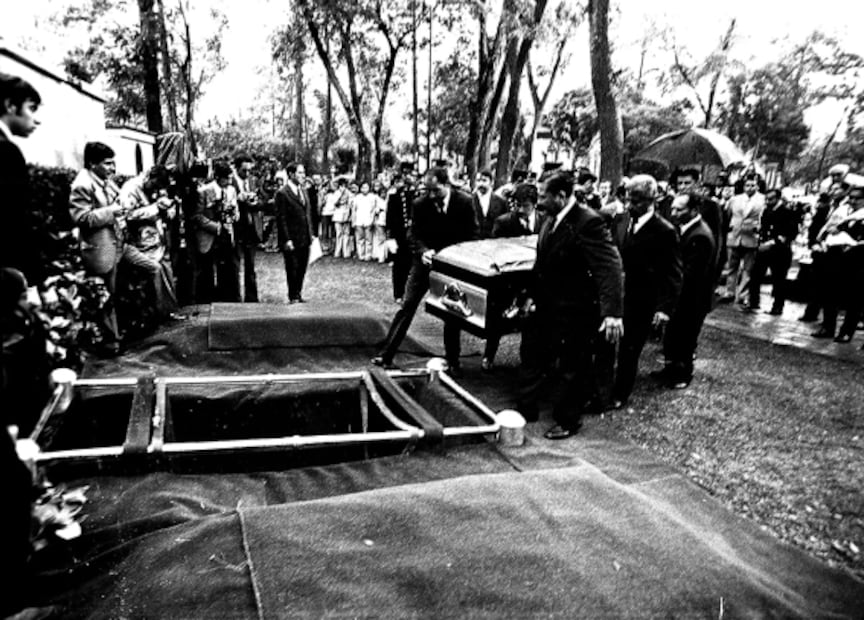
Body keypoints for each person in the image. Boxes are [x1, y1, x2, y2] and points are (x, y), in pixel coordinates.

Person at [516, 172, 624, 439]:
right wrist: (529, 295)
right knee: (532, 353)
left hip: (576, 310)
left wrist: (612, 313)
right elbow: (541, 264)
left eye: (543, 196)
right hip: (547, 305)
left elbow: (609, 267)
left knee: (572, 366)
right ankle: (526, 410)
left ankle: (568, 420)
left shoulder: (589, 222)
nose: (539, 201)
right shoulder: (550, 219)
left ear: (561, 196)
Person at [70, 142, 175, 351]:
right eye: (107, 163)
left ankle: (151, 320)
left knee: (152, 268)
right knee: (106, 296)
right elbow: (81, 218)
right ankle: (112, 342)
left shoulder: (105, 181)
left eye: (113, 163)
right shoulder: (82, 184)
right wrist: (112, 212)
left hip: (120, 244)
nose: (112, 168)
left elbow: (121, 207)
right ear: (92, 163)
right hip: (102, 248)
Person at [372, 166, 478, 370]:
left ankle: (453, 361)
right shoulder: (420, 204)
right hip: (424, 265)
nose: (431, 195)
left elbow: (473, 234)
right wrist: (423, 251)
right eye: (427, 190)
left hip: (452, 266)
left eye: (435, 190)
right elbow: (413, 234)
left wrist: (455, 256)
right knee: (407, 305)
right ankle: (386, 355)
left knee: (451, 312)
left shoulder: (464, 202)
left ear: (447, 184)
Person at [611, 174, 683, 409]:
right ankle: (602, 387)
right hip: (616, 295)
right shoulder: (621, 220)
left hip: (642, 300)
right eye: (628, 199)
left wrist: (664, 308)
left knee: (629, 350)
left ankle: (620, 393)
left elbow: (672, 273)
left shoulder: (665, 231)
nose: (630, 205)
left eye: (637, 201)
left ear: (652, 200)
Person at [656, 192, 716, 389]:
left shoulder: (700, 236)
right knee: (674, 334)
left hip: (692, 298)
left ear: (694, 210)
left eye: (679, 210)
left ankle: (682, 374)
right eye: (673, 209)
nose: (673, 213)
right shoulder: (689, 230)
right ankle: (671, 370)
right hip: (685, 295)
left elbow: (691, 274)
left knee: (685, 336)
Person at [0, 74, 42, 286]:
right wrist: (36, 280)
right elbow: (15, 223)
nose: (37, 119)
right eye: (31, 108)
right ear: (10, 106)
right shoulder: (6, 152)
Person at [191, 161, 241, 302]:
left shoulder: (231, 190)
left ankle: (227, 298)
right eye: (227, 178)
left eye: (230, 178)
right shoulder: (204, 191)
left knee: (227, 268)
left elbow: (236, 211)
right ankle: (206, 299)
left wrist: (233, 217)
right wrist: (216, 227)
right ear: (218, 177)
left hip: (227, 234)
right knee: (207, 269)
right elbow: (197, 216)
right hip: (210, 236)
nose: (229, 181)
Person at [747, 189, 801, 315]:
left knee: (779, 280)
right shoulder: (767, 211)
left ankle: (777, 306)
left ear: (778, 198)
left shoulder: (788, 212)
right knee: (755, 276)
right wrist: (758, 231)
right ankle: (753, 302)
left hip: (780, 251)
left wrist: (772, 242)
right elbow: (764, 228)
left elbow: (790, 233)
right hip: (764, 249)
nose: (768, 202)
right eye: (766, 199)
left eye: (771, 199)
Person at [721, 173, 765, 310]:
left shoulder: (762, 200)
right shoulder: (735, 199)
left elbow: (764, 217)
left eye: (753, 185)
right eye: (747, 185)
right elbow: (728, 215)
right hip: (735, 235)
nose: (750, 188)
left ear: (757, 186)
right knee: (732, 266)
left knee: (748, 268)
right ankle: (729, 291)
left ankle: (742, 294)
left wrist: (758, 228)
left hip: (751, 236)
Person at [275, 161, 315, 303]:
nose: (303, 175)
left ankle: (298, 293)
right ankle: (293, 295)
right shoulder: (282, 193)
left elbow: (307, 213)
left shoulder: (303, 191)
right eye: (300, 172)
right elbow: (281, 218)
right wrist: (287, 239)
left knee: (302, 266)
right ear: (291, 174)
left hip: (305, 236)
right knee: (292, 267)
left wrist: (311, 232)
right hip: (292, 237)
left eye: (304, 172)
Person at [233, 154, 265, 302]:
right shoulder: (231, 183)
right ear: (236, 168)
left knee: (250, 265)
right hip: (237, 228)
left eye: (249, 170)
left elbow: (263, 200)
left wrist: (255, 202)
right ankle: (235, 297)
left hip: (251, 228)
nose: (247, 174)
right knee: (235, 264)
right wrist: (240, 200)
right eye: (244, 170)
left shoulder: (253, 181)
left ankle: (251, 297)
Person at [385, 164, 417, 303]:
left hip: (414, 236)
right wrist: (390, 237)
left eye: (410, 174)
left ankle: (410, 293)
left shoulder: (417, 194)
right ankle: (398, 293)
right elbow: (389, 218)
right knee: (399, 266)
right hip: (399, 236)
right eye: (405, 174)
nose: (408, 177)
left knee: (413, 267)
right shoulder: (395, 196)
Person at [472, 169, 508, 238]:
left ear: (491, 182)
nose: (481, 184)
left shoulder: (501, 202)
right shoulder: (469, 200)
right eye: (478, 180)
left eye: (484, 180)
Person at [352, 181, 377, 261]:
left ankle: (368, 255)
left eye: (366, 187)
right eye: (363, 187)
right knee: (360, 239)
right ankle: (361, 255)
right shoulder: (357, 197)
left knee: (369, 239)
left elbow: (373, 210)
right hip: (359, 220)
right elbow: (354, 210)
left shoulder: (372, 197)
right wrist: (353, 221)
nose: (364, 189)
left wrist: (372, 220)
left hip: (368, 220)